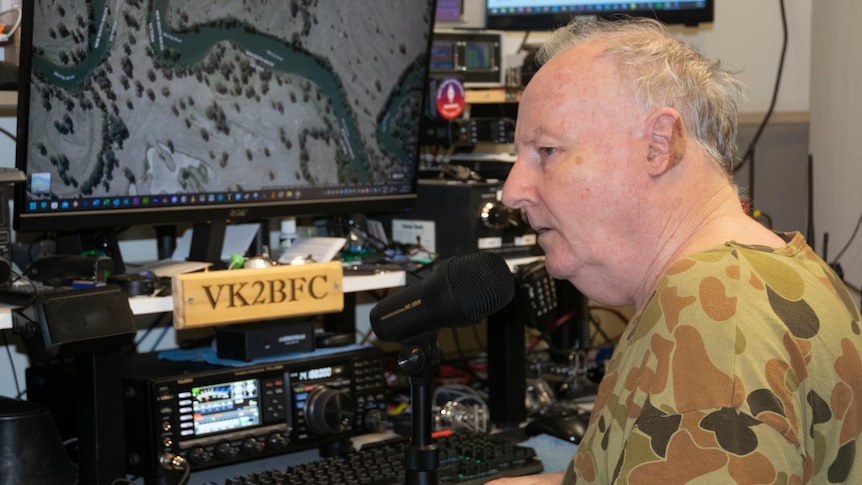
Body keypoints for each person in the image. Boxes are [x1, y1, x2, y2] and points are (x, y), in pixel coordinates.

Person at [491, 17, 862, 484]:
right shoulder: (760, 273)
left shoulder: (714, 319)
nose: (512, 191)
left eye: (546, 150)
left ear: (659, 146)